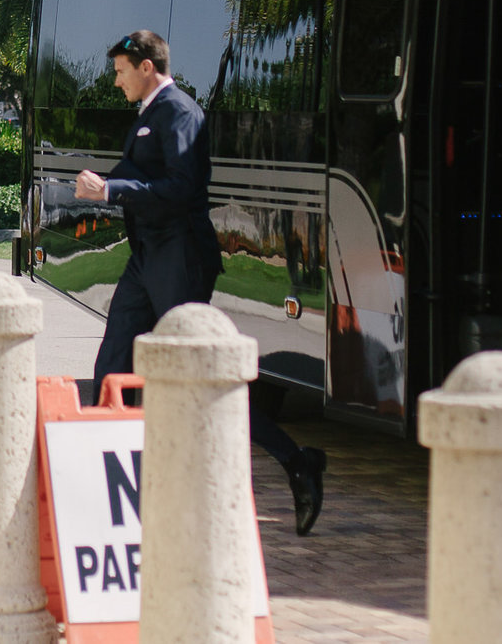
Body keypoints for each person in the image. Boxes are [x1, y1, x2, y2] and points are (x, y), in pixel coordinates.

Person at [75, 29, 328, 534]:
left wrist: (112, 190)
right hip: (148, 257)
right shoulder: (148, 115)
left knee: (195, 377)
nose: (117, 79)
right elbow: (134, 174)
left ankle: (297, 460)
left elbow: (180, 187)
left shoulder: (181, 112)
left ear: (148, 67)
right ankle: (100, 491)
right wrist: (96, 188)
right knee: (112, 366)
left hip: (181, 257)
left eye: (122, 70)